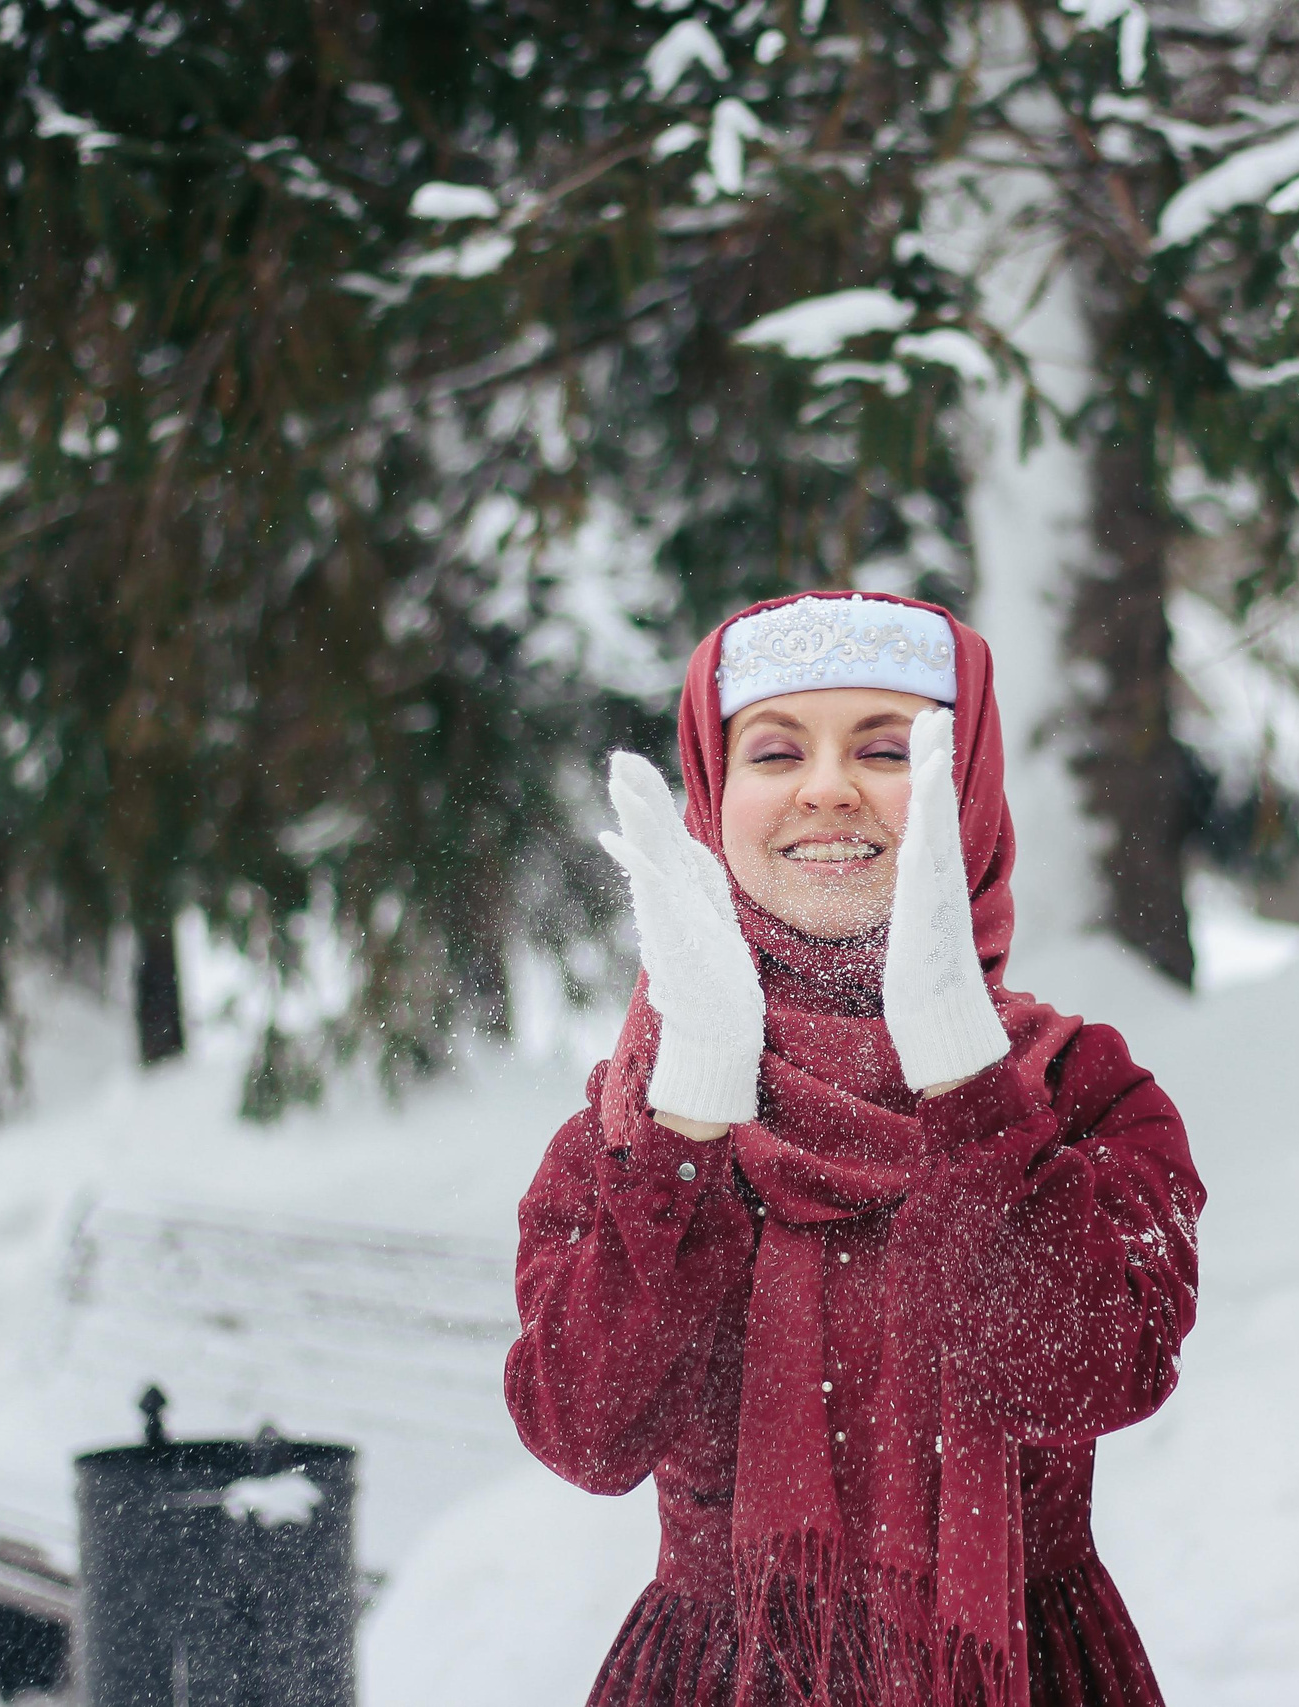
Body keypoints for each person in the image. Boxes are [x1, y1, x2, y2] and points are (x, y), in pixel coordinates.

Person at [505, 591, 1204, 1707]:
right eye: (775, 750)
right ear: (712, 795)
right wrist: (692, 1107)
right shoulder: (634, 1119)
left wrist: (965, 1075)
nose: (827, 786)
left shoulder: (1078, 1090)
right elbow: (586, 1431)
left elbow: (1080, 1375)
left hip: (1018, 1672)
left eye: (886, 748)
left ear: (964, 783)